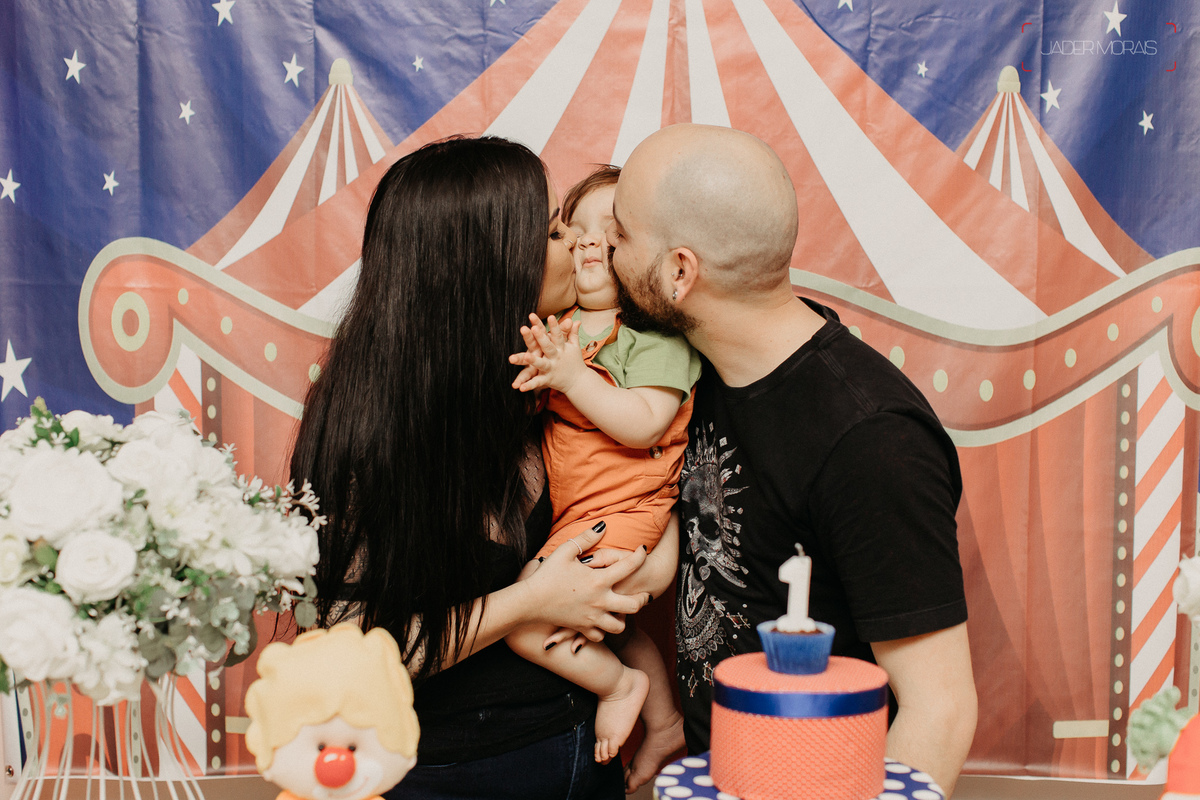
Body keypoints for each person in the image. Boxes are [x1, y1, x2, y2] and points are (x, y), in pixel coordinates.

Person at [289, 136, 673, 800]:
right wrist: (531, 600)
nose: (581, 247)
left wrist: (653, 555)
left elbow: (649, 486)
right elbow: (358, 645)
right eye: (554, 231)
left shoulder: (558, 383)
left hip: (579, 753)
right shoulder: (367, 435)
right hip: (432, 773)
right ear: (488, 267)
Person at [606, 124, 978, 796]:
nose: (606, 250)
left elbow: (940, 707)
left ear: (679, 272)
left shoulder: (870, 439)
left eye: (623, 234)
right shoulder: (684, 375)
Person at [505, 166, 694, 791]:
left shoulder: (652, 339)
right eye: (572, 229)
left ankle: (623, 686)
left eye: (609, 235)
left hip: (627, 507)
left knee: (529, 618)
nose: (588, 244)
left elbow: (643, 424)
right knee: (613, 622)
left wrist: (572, 377)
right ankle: (665, 720)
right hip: (576, 514)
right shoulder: (557, 329)